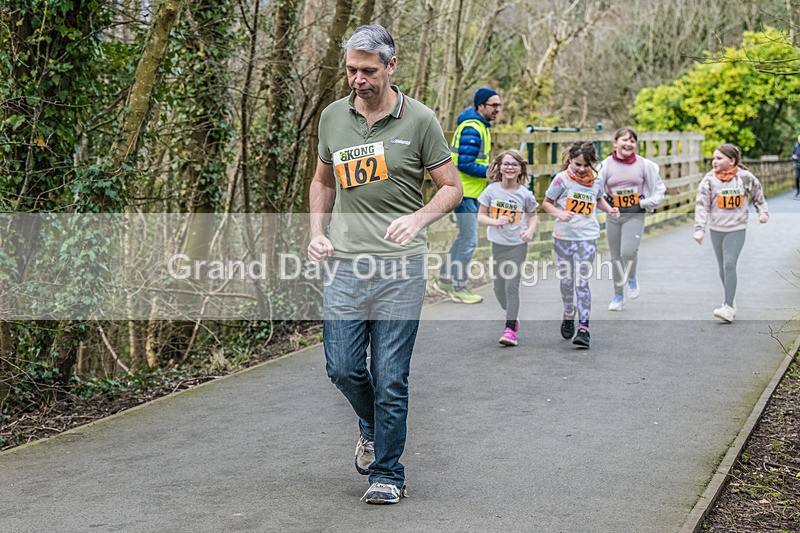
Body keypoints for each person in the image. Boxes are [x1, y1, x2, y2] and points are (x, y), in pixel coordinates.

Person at [307, 24, 462, 504]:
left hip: (401, 268)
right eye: (351, 70)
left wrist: (418, 218)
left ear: (391, 67)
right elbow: (323, 182)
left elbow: (451, 188)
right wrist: (316, 232)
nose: (358, 79)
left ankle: (388, 474)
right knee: (342, 367)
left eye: (368, 71)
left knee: (391, 376)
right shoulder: (332, 117)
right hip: (346, 264)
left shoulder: (420, 120)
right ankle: (372, 426)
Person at [541, 142, 619, 348]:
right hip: (563, 237)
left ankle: (584, 327)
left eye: (586, 165)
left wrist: (609, 209)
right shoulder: (561, 179)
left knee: (581, 282)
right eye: (578, 164)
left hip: (587, 236)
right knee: (567, 282)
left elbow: (598, 199)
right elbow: (546, 203)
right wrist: (560, 214)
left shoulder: (597, 180)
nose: (582, 169)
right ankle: (569, 312)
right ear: (570, 160)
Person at [434, 87, 503, 304]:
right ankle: (459, 286)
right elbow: (464, 164)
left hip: (470, 192)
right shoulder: (472, 128)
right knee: (470, 240)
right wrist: (492, 172)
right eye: (493, 105)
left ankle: (445, 280)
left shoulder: (480, 126)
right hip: (463, 193)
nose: (497, 109)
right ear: (481, 106)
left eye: (499, 105)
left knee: (464, 237)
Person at [693, 143, 769, 323]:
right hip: (716, 229)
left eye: (719, 158)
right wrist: (699, 229)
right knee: (722, 268)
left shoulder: (744, 177)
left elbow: (758, 193)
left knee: (729, 264)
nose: (714, 161)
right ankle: (730, 298)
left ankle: (727, 307)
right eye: (714, 158)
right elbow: (702, 205)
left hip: (736, 228)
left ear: (732, 160)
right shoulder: (709, 179)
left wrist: (763, 212)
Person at [598, 126, 666, 311]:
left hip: (635, 213)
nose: (628, 144)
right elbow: (596, 188)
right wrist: (606, 203)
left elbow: (659, 188)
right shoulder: (605, 165)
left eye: (632, 141)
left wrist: (644, 203)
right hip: (614, 214)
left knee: (628, 252)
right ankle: (618, 296)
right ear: (615, 143)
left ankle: (632, 277)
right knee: (615, 257)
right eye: (624, 140)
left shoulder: (645, 165)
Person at [477, 150, 539, 347]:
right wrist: (494, 222)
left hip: (517, 245)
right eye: (506, 164)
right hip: (498, 244)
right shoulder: (491, 191)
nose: (510, 167)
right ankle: (509, 313)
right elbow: (480, 216)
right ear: (500, 167)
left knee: (511, 286)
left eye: (514, 164)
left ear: (520, 169)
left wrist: (530, 231)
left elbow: (533, 215)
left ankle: (510, 329)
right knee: (498, 288)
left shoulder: (525, 194)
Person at [792, 134, 800, 199]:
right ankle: (797, 191)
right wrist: (794, 156)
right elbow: (793, 153)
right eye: (799, 138)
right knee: (797, 178)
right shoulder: (796, 145)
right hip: (797, 163)